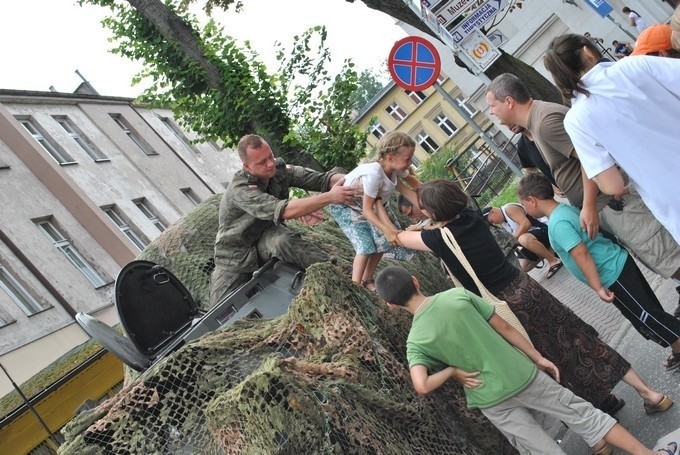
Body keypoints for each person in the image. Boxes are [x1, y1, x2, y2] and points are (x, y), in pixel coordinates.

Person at [396, 179, 671, 419]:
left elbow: (397, 237)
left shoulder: (438, 239)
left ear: (431, 212)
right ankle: (649, 393)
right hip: (527, 288)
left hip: (503, 307)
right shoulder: (472, 217)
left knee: (543, 361)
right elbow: (438, 198)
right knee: (579, 341)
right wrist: (404, 183)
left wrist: (377, 213)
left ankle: (596, 427)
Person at [375, 265, 667, 455]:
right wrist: (538, 357)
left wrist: (451, 371)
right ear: (415, 280)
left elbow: (422, 385)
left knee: (542, 450)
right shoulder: (457, 296)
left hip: (489, 399)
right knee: (584, 415)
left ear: (390, 305)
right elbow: (503, 326)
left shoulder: (415, 341)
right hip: (521, 374)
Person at [486, 72, 680, 319]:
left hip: (612, 203)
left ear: (509, 101)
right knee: (662, 258)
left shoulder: (544, 121)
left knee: (668, 257)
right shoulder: (536, 122)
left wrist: (588, 205)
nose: (492, 112)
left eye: (493, 106)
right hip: (606, 206)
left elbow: (591, 158)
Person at [518, 173, 680, 371]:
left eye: (524, 205)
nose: (525, 210)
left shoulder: (557, 225)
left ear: (532, 200)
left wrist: (596, 286)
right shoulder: (564, 210)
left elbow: (581, 253)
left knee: (646, 317)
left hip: (612, 274)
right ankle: (676, 346)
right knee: (649, 312)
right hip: (617, 264)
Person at [209, 134, 355, 307]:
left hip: (266, 237)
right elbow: (284, 210)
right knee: (219, 314)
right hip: (234, 257)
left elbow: (322, 179)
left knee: (284, 240)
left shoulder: (278, 169)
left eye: (270, 156)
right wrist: (330, 197)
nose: (270, 163)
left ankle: (341, 275)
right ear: (247, 166)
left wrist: (357, 179)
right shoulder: (240, 190)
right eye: (262, 162)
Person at [329, 131, 421, 292]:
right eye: (407, 159)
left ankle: (367, 279)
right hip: (348, 207)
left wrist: (432, 203)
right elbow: (367, 210)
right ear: (390, 157)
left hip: (371, 205)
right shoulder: (373, 174)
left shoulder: (395, 169)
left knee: (383, 243)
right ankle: (355, 287)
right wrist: (387, 230)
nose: (410, 163)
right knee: (365, 246)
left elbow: (413, 188)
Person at [481, 204, 563, 276]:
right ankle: (551, 251)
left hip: (545, 229)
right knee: (520, 268)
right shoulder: (503, 224)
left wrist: (512, 240)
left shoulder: (509, 209)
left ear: (492, 212)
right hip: (534, 238)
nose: (494, 223)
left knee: (523, 239)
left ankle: (554, 261)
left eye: (492, 221)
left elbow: (526, 223)